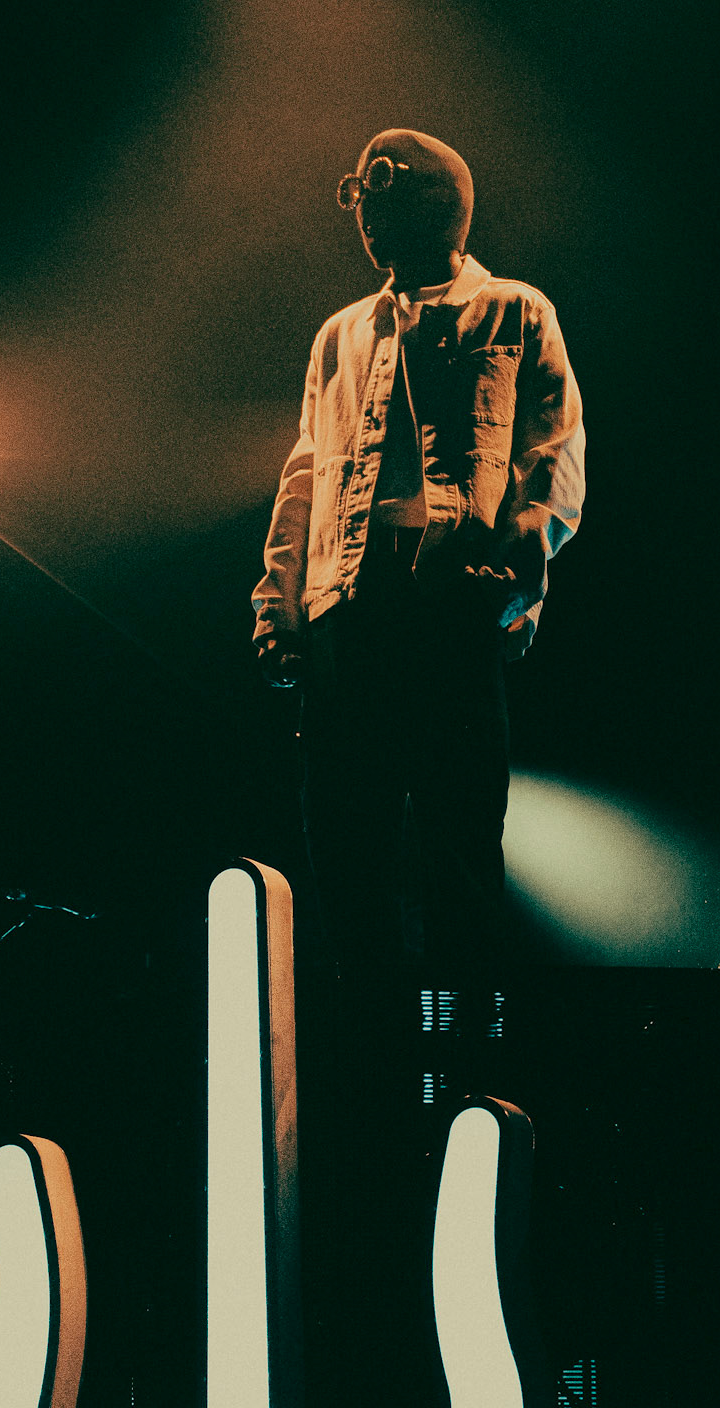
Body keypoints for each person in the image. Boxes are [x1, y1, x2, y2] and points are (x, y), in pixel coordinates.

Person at [252, 128, 585, 989]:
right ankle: (371, 1038)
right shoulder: (338, 334)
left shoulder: (515, 310)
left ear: (438, 202)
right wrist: (279, 600)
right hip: (346, 607)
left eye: (381, 194)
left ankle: (464, 1046)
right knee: (344, 843)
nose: (365, 215)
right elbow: (306, 471)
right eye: (361, 198)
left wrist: (518, 560)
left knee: (459, 844)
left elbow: (551, 447)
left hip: (449, 602)